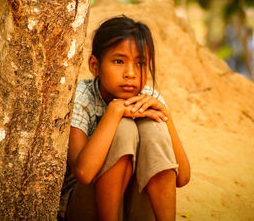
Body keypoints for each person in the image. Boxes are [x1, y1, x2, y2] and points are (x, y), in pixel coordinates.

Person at [59, 16, 191, 221]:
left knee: (154, 126)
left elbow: (182, 177)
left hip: (133, 208)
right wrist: (113, 113)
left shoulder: (150, 97)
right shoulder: (83, 96)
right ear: (95, 65)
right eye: (119, 61)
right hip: (85, 207)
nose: (130, 73)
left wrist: (166, 117)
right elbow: (83, 173)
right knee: (124, 128)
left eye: (140, 63)